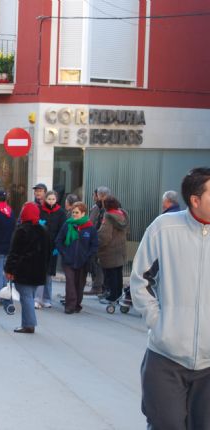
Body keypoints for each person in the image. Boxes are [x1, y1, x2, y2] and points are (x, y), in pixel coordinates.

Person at [131, 167, 210, 429]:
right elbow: (140, 279)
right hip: (166, 358)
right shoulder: (163, 229)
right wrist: (159, 322)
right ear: (195, 200)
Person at [4, 202, 51, 334]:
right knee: (29, 296)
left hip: (23, 269)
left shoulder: (22, 230)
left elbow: (14, 252)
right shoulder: (43, 230)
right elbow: (47, 252)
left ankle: (29, 324)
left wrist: (9, 269)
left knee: (26, 297)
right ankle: (28, 323)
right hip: (38, 270)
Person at [55, 201, 98, 314]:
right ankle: (69, 306)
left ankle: (77, 304)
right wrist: (64, 253)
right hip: (68, 260)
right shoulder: (67, 225)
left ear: (83, 213)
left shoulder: (90, 228)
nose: (74, 214)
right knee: (70, 282)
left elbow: (94, 245)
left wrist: (87, 256)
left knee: (80, 284)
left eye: (77, 212)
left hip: (82, 261)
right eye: (73, 212)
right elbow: (58, 241)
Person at [37, 190, 67, 308]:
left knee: (48, 274)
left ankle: (47, 298)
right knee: (39, 272)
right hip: (40, 245)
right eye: (49, 199)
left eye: (53, 199)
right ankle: (37, 298)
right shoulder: (40, 210)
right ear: (45, 199)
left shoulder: (60, 212)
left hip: (53, 246)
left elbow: (62, 230)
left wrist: (58, 246)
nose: (51, 201)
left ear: (56, 200)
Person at [97, 196, 129, 303]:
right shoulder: (123, 215)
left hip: (109, 251)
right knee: (118, 274)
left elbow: (104, 236)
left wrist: (97, 244)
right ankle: (118, 296)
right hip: (120, 249)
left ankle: (112, 297)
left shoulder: (108, 217)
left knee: (110, 275)